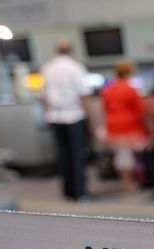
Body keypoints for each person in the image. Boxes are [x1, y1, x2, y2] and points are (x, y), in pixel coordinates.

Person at [42, 38, 92, 201]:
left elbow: (44, 97)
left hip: (55, 118)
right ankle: (79, 192)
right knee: (77, 155)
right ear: (72, 51)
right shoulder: (75, 68)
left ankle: (68, 192)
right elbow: (83, 95)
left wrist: (48, 115)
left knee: (63, 156)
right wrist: (91, 120)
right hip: (74, 117)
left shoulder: (47, 68)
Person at [101, 59, 154, 191]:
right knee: (127, 155)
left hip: (112, 126)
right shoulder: (130, 89)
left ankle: (125, 181)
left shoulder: (108, 90)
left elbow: (105, 108)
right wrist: (149, 127)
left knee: (121, 154)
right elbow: (140, 110)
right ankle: (129, 182)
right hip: (129, 126)